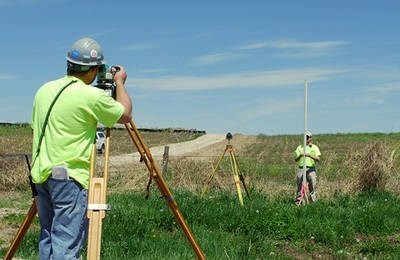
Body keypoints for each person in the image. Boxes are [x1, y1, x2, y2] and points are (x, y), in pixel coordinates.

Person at [31, 37, 132, 259]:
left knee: (48, 237)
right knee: (66, 245)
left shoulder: (44, 90)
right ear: (94, 69)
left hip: (41, 175)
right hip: (69, 178)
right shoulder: (91, 96)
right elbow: (124, 114)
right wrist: (120, 83)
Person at [293, 130, 321, 204]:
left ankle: (313, 203)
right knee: (299, 185)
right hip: (301, 168)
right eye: (305, 137)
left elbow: (318, 159)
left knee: (312, 186)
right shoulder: (299, 147)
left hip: (311, 169)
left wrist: (310, 155)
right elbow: (296, 159)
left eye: (308, 137)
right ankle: (299, 202)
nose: (306, 139)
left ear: (311, 138)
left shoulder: (315, 147)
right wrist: (300, 155)